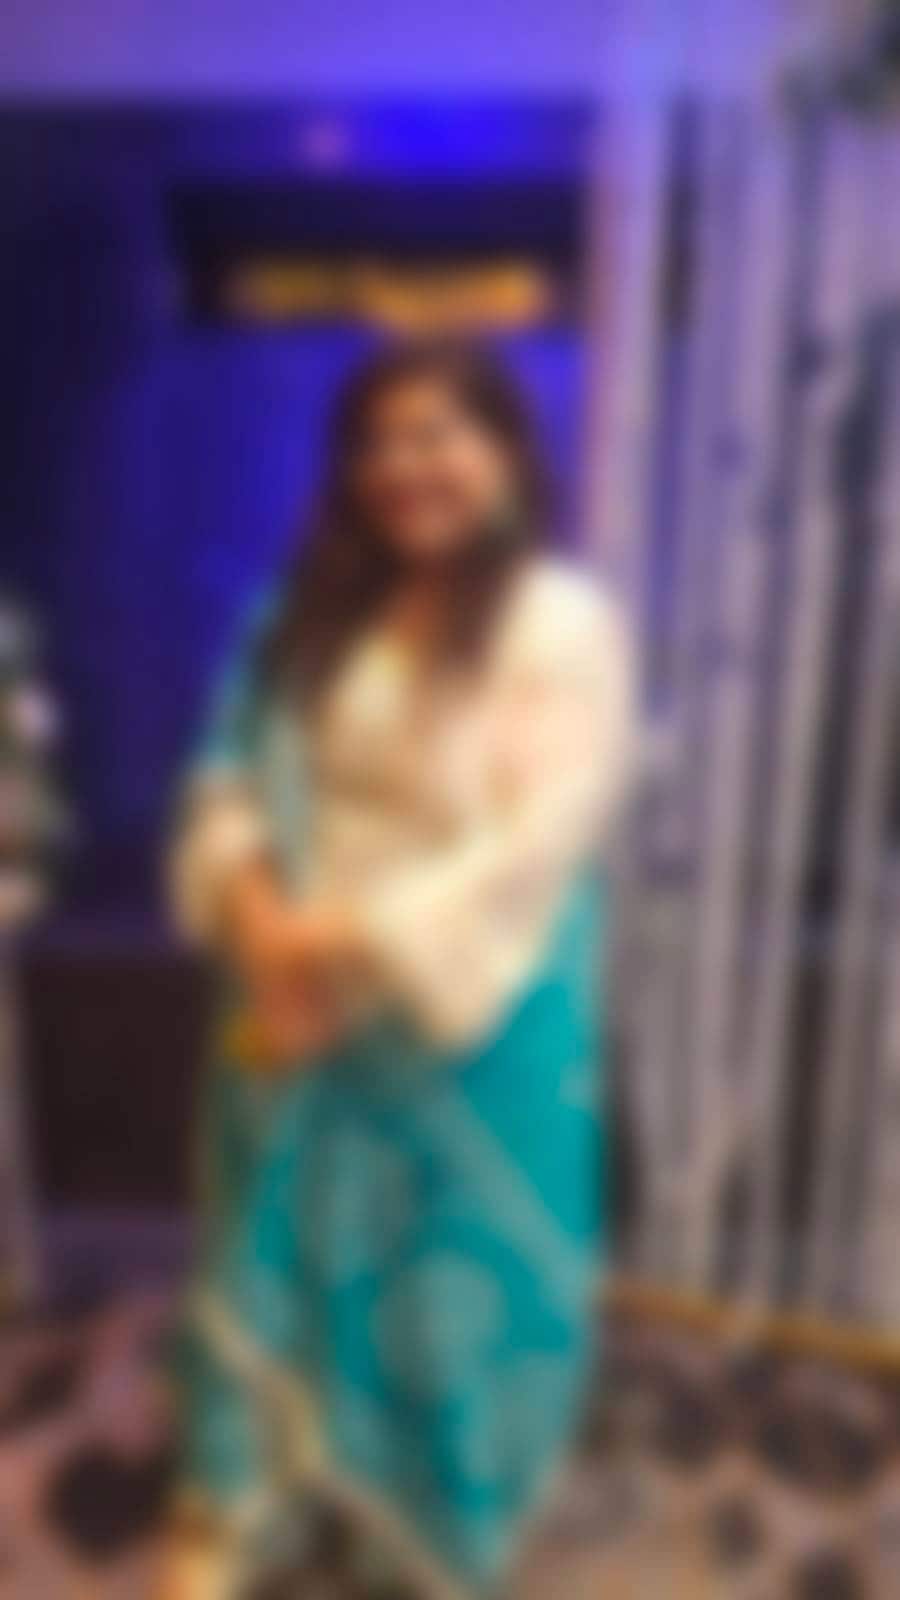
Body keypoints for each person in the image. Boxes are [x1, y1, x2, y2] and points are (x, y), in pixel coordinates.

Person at [159, 339, 633, 1599]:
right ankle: (250, 1492)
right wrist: (263, 929)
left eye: (438, 434)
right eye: (376, 441)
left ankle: (430, 1528)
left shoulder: (559, 620)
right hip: (291, 994)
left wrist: (333, 943)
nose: (404, 466)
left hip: (467, 1006)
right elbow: (229, 771)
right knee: (276, 1251)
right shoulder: (303, 611)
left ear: (507, 452)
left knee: (444, 1289)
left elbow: (540, 835)